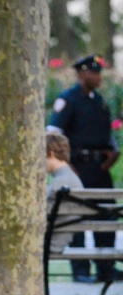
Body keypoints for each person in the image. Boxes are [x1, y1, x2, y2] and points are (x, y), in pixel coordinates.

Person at [47, 54, 122, 283]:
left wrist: (113, 151)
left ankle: (106, 268)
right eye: (94, 72)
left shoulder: (99, 100)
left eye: (99, 72)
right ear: (82, 74)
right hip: (78, 166)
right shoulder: (69, 99)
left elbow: (106, 132)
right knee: (75, 216)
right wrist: (67, 164)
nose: (99, 77)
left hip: (100, 167)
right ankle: (80, 270)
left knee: (106, 214)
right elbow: (53, 133)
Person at [45, 131, 84, 254]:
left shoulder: (61, 182)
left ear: (51, 154)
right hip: (55, 239)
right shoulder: (69, 178)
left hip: (49, 242)